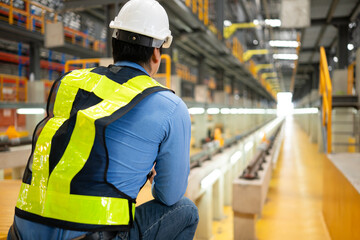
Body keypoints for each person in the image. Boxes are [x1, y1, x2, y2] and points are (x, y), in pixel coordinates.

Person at [7, 0, 199, 239]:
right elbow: (169, 196)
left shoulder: (70, 82)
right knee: (187, 210)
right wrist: (149, 175)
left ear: (114, 45)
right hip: (91, 237)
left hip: (21, 231)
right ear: (157, 52)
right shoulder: (170, 107)